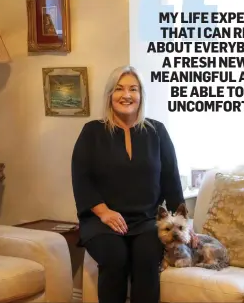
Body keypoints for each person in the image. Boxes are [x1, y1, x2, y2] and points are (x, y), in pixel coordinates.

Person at [71, 65, 195, 303]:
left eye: (133, 89)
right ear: (110, 95)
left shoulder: (157, 131)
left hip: (146, 220)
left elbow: (171, 180)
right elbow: (81, 177)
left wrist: (185, 225)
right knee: (115, 257)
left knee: (147, 257)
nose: (126, 95)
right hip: (102, 221)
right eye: (119, 89)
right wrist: (104, 212)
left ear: (141, 96)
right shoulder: (92, 132)